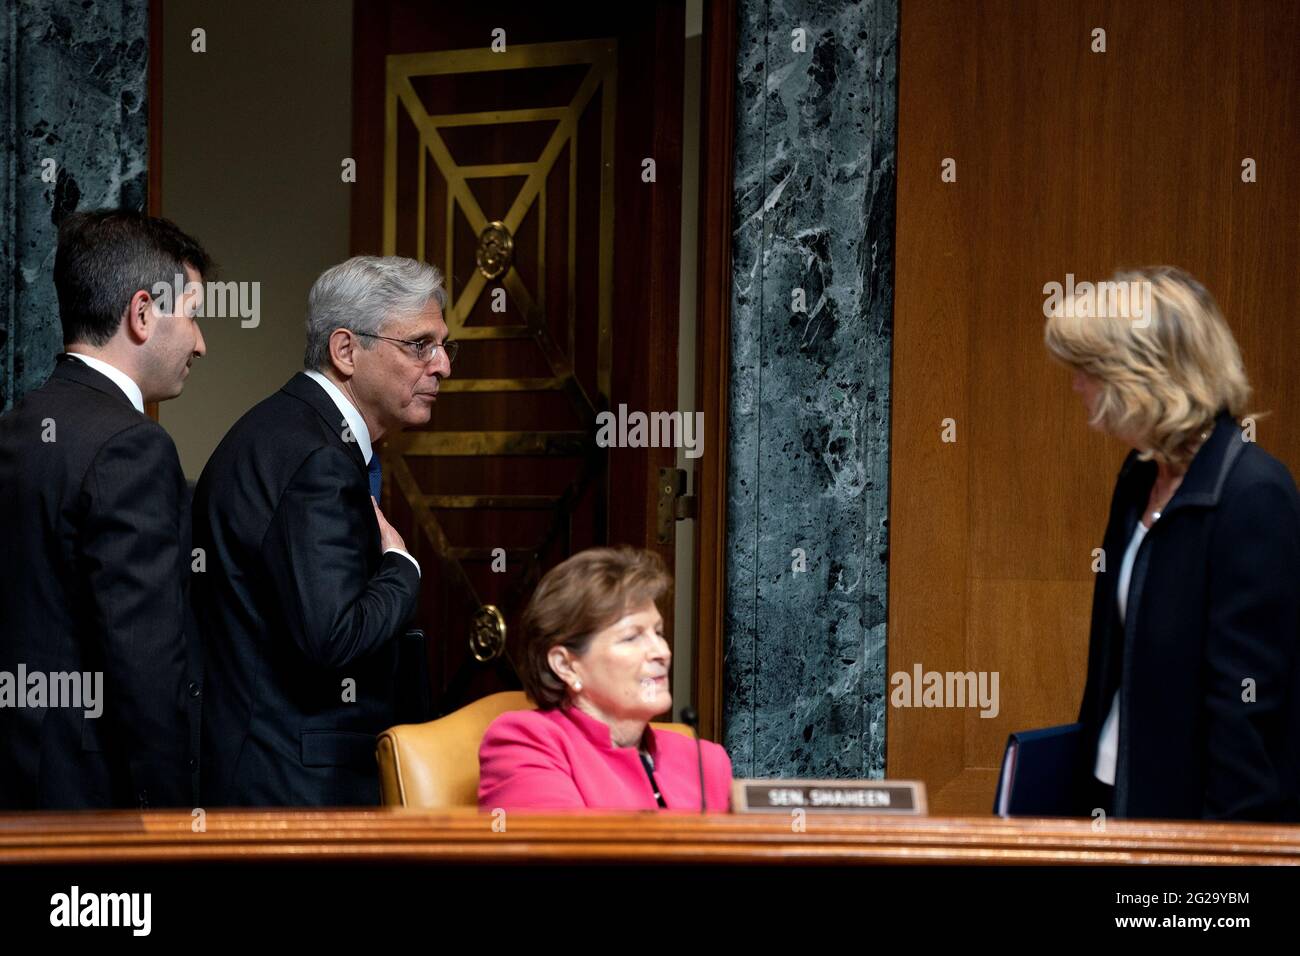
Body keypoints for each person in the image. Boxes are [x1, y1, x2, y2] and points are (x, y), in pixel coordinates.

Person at [1044, 265, 1300, 821]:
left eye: (1088, 370)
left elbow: (1247, 713)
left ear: (1142, 374)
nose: (1076, 385)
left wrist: (1218, 869)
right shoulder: (1138, 478)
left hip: (1191, 832)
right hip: (1109, 798)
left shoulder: (1253, 493)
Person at [193, 256, 451, 806]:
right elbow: (332, 637)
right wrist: (402, 569)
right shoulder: (316, 455)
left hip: (273, 767)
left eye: (444, 346)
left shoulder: (290, 428)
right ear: (345, 351)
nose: (443, 365)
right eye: (419, 345)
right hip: (293, 786)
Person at [0, 209, 209, 809]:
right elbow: (144, 664)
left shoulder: (15, 430)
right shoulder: (132, 446)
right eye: (192, 314)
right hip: (91, 804)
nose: (200, 340)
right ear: (142, 314)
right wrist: (171, 822)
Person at [479, 547, 732, 811]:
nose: (662, 652)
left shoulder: (706, 762)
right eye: (631, 637)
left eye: (659, 633)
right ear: (565, 665)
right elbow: (562, 850)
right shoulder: (525, 743)